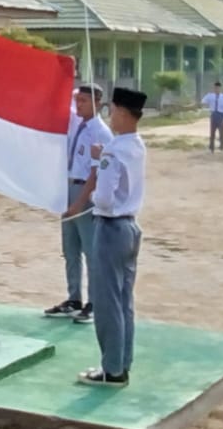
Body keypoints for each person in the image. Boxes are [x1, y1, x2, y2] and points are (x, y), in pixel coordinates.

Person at [65, 87, 147, 388]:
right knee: (124, 301)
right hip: (130, 226)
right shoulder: (137, 145)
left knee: (107, 302)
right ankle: (121, 363)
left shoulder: (114, 150)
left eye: (113, 110)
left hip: (112, 227)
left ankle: (111, 369)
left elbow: (104, 199)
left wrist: (101, 162)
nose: (110, 115)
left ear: (123, 113)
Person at [45, 85, 112, 324]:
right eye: (78, 100)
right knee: (70, 250)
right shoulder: (75, 124)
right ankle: (74, 298)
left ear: (97, 102)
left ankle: (94, 302)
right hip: (67, 187)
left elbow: (96, 174)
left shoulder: (101, 133)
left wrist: (79, 203)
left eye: (84, 100)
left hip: (85, 192)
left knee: (90, 251)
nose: (79, 104)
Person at [201, 81, 223, 153]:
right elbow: (203, 101)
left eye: (218, 88)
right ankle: (211, 147)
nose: (217, 89)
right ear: (214, 88)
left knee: (221, 132)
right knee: (212, 132)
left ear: (220, 88)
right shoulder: (210, 95)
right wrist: (208, 99)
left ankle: (222, 147)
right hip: (214, 114)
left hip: (221, 114)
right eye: (215, 88)